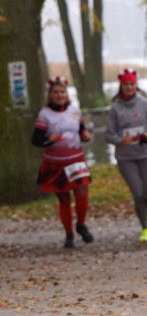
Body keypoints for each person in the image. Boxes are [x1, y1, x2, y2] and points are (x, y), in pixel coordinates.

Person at [32, 76, 94, 248]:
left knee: (82, 194)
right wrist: (49, 139)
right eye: (56, 92)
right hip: (55, 164)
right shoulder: (44, 115)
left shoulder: (75, 111)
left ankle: (81, 225)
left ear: (67, 94)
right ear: (50, 95)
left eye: (62, 92)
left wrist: (85, 135)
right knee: (64, 200)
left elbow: (81, 130)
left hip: (76, 160)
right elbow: (36, 140)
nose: (59, 95)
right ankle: (69, 235)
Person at [105, 68, 147, 243]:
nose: (129, 87)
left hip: (146, 154)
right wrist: (120, 140)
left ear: (136, 85)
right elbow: (109, 134)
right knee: (138, 194)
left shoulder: (145, 104)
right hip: (126, 158)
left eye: (132, 84)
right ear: (121, 87)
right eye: (126, 85)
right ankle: (145, 228)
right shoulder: (115, 109)